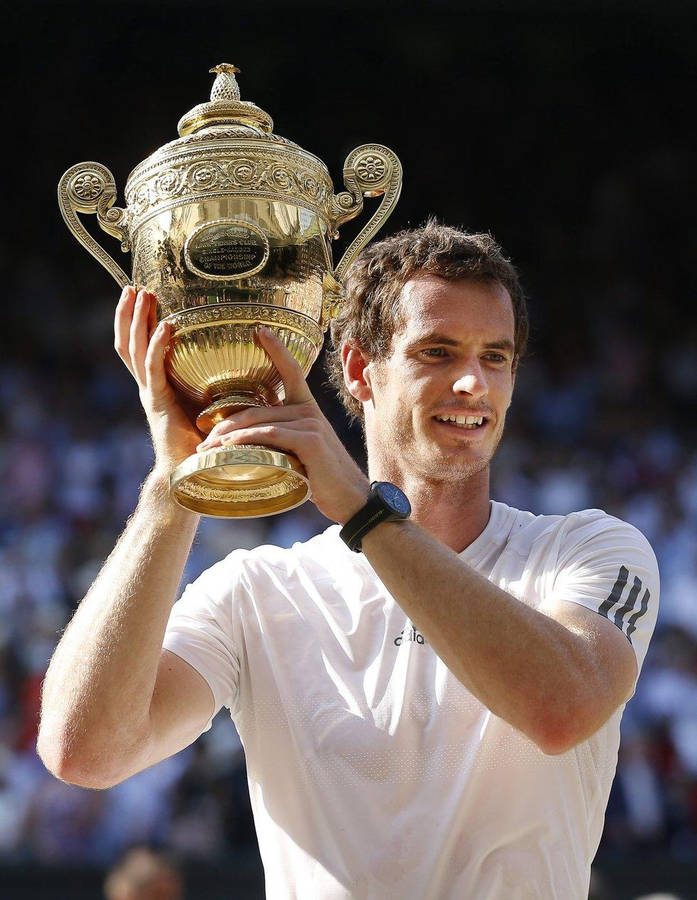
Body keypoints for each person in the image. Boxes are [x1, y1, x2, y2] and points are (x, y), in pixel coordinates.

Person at [38, 221, 659, 899]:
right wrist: (172, 485)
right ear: (361, 370)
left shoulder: (588, 548)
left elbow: (562, 710)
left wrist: (364, 514)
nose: (472, 383)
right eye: (437, 352)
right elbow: (83, 750)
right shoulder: (257, 590)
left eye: (495, 356)